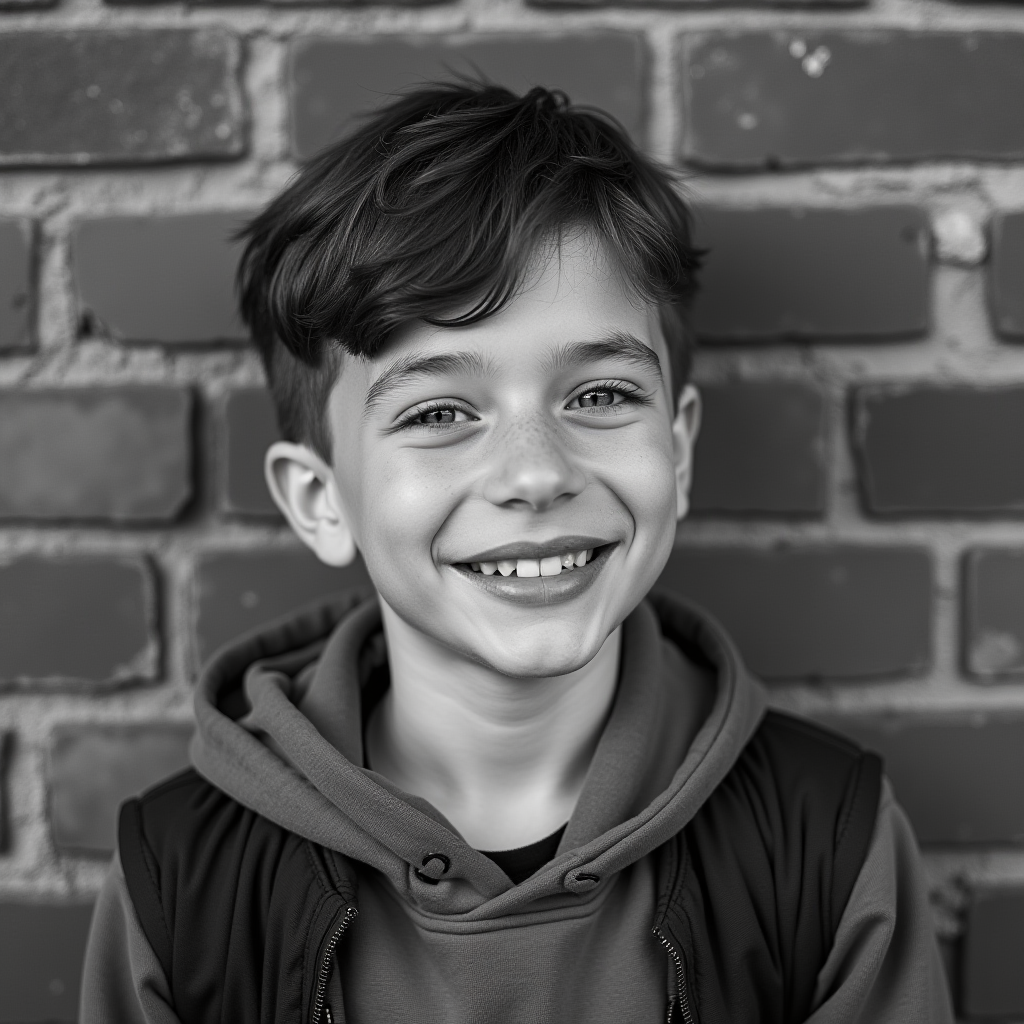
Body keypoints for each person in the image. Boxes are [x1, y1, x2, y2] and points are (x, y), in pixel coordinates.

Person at [80, 81, 953, 1024]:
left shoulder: (828, 841)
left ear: (679, 449)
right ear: (321, 500)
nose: (535, 475)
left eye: (601, 395)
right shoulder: (176, 883)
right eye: (440, 412)